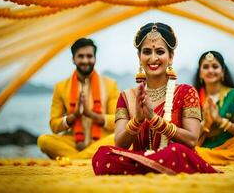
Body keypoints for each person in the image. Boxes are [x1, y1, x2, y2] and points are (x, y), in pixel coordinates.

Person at [92, 23, 218, 175]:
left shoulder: (187, 92)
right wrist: (137, 120)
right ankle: (150, 165)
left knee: (176, 151)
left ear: (171, 57)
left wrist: (154, 119)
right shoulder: (127, 96)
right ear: (139, 57)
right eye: (146, 52)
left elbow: (191, 140)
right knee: (103, 154)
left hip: (174, 157)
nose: (153, 58)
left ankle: (145, 167)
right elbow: (120, 143)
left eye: (159, 51)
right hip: (142, 157)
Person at [37, 38, 120, 159]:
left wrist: (91, 114)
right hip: (73, 142)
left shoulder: (110, 85)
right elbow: (54, 126)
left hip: (101, 141)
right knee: (43, 140)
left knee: (116, 139)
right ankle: (92, 157)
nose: (85, 60)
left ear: (95, 58)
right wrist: (74, 116)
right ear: (73, 59)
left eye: (89, 56)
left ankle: (75, 159)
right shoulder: (61, 87)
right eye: (80, 56)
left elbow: (118, 121)